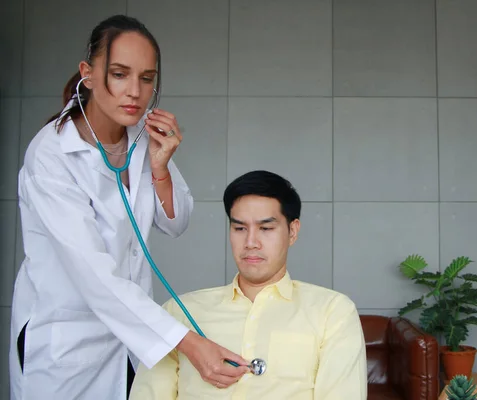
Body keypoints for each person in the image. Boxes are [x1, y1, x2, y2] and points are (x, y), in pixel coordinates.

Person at [9, 15, 248, 400]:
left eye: (147, 78)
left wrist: (160, 167)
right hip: (69, 345)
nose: (135, 92)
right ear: (87, 73)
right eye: (119, 74)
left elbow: (177, 222)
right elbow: (94, 276)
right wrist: (189, 344)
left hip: (129, 344)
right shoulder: (52, 155)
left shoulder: (141, 136)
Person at [129, 170, 368, 399]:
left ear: (292, 232)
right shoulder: (180, 312)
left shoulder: (331, 312)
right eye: (240, 228)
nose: (251, 242)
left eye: (266, 228)